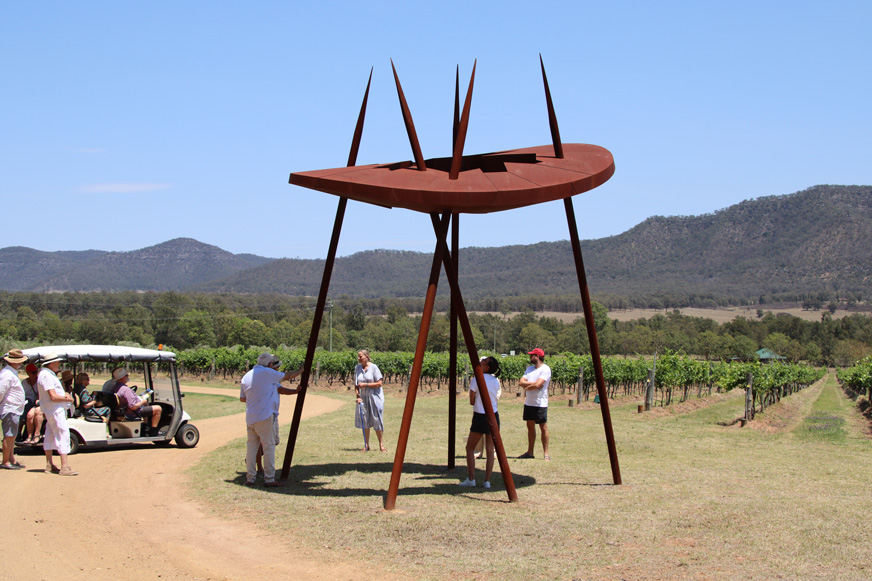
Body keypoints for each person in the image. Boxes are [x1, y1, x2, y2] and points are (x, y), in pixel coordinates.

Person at [239, 353, 303, 487]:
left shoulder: (247, 376)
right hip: (265, 416)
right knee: (268, 447)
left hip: (251, 417)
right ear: (269, 365)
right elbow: (289, 376)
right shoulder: (267, 373)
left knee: (251, 448)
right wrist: (301, 370)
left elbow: (243, 398)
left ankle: (250, 478)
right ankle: (269, 479)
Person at [458, 356, 502, 489]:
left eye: (483, 362)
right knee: (490, 451)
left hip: (480, 416)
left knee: (470, 448)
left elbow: (471, 401)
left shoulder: (477, 379)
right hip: (493, 416)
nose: (480, 362)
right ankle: (487, 481)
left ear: (486, 367)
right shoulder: (495, 381)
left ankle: (471, 479)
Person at [37, 353, 78, 476]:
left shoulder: (44, 374)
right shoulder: (47, 376)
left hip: (51, 409)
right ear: (51, 363)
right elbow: (53, 396)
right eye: (57, 362)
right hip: (55, 409)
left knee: (50, 434)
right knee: (63, 433)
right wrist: (66, 398)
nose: (59, 364)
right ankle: (64, 466)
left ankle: (49, 464)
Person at [518, 348, 551, 461]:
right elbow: (521, 382)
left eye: (532, 355)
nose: (530, 357)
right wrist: (532, 385)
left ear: (537, 356)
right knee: (530, 427)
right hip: (529, 403)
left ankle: (546, 453)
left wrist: (527, 387)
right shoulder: (529, 369)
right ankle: (530, 452)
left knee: (543, 427)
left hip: (540, 403)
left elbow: (538, 385)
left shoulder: (545, 369)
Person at [0, 349, 28, 470]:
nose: (20, 363)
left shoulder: (11, 373)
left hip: (14, 409)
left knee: (12, 436)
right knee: (9, 436)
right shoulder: (7, 374)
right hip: (10, 408)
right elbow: (1, 391)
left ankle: (10, 459)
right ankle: (6, 461)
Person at [113, 368, 162, 436]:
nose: (128, 376)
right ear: (121, 378)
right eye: (126, 375)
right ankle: (154, 431)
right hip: (132, 412)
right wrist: (143, 402)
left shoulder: (116, 387)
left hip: (124, 410)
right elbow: (133, 406)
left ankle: (145, 427)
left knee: (147, 404)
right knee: (158, 408)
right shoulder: (126, 390)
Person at [353, 349, 385, 452]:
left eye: (360, 357)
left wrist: (366, 385)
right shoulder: (357, 369)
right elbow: (356, 385)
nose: (359, 359)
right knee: (365, 420)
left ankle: (381, 445)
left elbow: (379, 383)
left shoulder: (374, 368)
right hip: (363, 398)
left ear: (366, 357)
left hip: (375, 397)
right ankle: (366, 445)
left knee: (377, 419)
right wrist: (358, 396)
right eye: (358, 357)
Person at [20, 362, 44, 444]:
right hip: (26, 403)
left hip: (36, 403)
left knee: (31, 413)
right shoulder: (24, 383)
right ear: (28, 373)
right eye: (33, 372)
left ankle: (35, 435)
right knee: (27, 415)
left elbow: (40, 395)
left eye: (36, 372)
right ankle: (22, 435)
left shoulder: (39, 382)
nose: (35, 374)